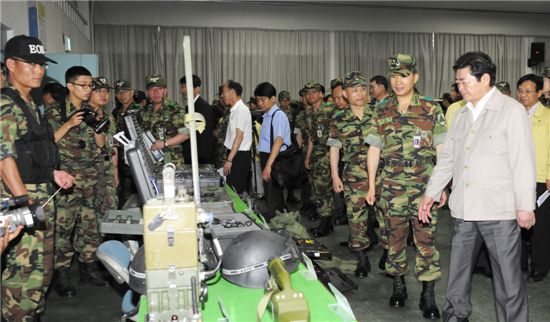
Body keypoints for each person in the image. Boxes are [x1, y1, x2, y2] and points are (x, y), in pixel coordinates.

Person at [419, 51, 536, 322]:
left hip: (500, 212)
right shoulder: (460, 115)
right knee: (458, 277)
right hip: (464, 210)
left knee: (508, 280)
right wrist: (431, 192)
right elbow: (447, 159)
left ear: (485, 79)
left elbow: (523, 163)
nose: (459, 87)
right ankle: (455, 317)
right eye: (457, 82)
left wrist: (525, 208)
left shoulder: (511, 111)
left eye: (464, 81)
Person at [366, 54, 446, 320]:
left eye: (404, 75)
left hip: (424, 185)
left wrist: (442, 186)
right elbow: (374, 149)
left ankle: (428, 293)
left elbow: (442, 150)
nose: (398, 81)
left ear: (415, 77)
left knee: (426, 240)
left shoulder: (430, 108)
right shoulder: (381, 108)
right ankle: (398, 286)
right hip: (391, 185)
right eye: (394, 76)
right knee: (395, 238)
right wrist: (370, 185)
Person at [1, 34, 75, 321]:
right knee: (22, 276)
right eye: (30, 63)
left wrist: (52, 172)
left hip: (40, 197)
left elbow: (29, 150)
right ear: (10, 64)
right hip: (20, 202)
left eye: (41, 64)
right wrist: (23, 201)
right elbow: (3, 157)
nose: (38, 70)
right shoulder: (6, 103)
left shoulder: (29, 103)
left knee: (40, 272)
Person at [45, 65, 108, 297]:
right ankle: (61, 276)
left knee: (90, 226)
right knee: (63, 229)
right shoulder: (54, 112)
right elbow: (48, 142)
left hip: (90, 179)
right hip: (66, 182)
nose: (88, 89)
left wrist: (99, 125)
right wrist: (69, 124)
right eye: (83, 85)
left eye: (90, 85)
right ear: (70, 86)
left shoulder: (91, 111)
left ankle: (87, 267)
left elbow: (100, 146)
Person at [327, 71, 372, 278]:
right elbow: (334, 148)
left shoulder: (378, 114)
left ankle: (390, 253)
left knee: (386, 218)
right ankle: (362, 257)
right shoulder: (338, 119)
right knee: (355, 218)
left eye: (363, 88)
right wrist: (335, 176)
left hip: (381, 175)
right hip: (353, 175)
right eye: (354, 90)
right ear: (345, 93)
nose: (360, 93)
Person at [516, 73, 550, 282]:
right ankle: (518, 264)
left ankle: (540, 266)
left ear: (539, 93)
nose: (523, 95)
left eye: (528, 91)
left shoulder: (547, 116)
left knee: (540, 225)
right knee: (515, 223)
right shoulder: (513, 113)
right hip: (516, 178)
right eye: (520, 91)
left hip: (540, 178)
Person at [303, 81, 336, 237]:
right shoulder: (309, 114)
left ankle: (326, 222)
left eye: (314, 92)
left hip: (328, 154)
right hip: (316, 154)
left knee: (324, 189)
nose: (310, 95)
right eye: (308, 93)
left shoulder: (330, 109)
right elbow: (311, 137)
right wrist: (307, 157)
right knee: (317, 189)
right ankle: (325, 220)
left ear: (321, 94)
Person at [255, 82, 292, 220]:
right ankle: (276, 215)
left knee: (273, 192)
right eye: (258, 100)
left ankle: (275, 218)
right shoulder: (266, 116)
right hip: (267, 156)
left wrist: (268, 165)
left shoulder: (278, 115)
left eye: (263, 99)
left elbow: (278, 141)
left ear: (273, 99)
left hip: (274, 157)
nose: (260, 103)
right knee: (271, 192)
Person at [140, 74, 188, 168]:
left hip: (171, 162)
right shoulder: (144, 112)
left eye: (159, 88)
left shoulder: (175, 109)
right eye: (152, 89)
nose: (156, 92)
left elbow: (186, 133)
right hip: (150, 163)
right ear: (147, 92)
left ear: (165, 90)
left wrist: (164, 143)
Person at [88, 76, 118, 222]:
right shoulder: (83, 115)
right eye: (99, 91)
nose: (104, 94)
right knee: (91, 216)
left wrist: (115, 170)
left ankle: (108, 243)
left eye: (106, 91)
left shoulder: (109, 117)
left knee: (110, 211)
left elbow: (113, 145)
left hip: (108, 172)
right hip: (90, 173)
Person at [112, 80, 140, 209]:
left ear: (132, 92)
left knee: (134, 193)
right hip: (119, 158)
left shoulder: (139, 111)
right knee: (121, 192)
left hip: (135, 157)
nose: (122, 95)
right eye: (119, 92)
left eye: (125, 91)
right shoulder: (115, 112)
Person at [222, 80, 252, 194]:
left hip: (239, 156)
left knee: (235, 191)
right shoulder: (235, 109)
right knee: (232, 189)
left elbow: (239, 137)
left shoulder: (241, 110)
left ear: (231, 92)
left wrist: (229, 160)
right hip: (235, 153)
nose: (222, 95)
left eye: (224, 92)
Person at [180, 74, 215, 164]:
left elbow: (203, 135)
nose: (182, 90)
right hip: (192, 155)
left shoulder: (202, 106)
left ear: (197, 89)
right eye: (182, 87)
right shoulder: (190, 106)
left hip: (199, 157)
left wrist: (201, 158)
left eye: (185, 87)